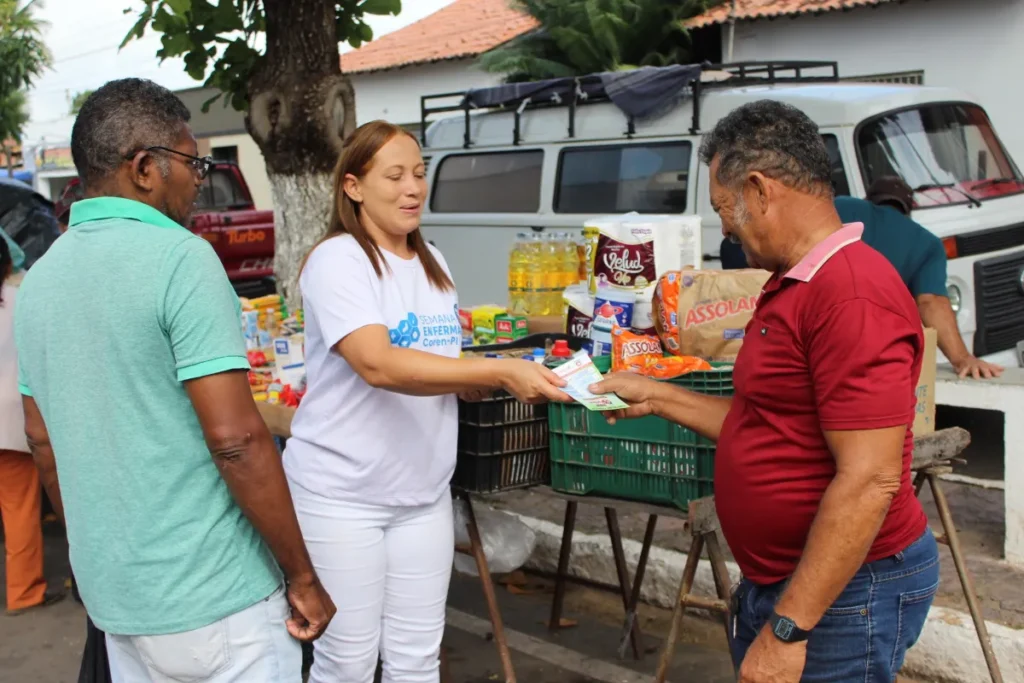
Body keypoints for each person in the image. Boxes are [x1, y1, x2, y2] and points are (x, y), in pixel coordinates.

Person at [594, 100, 938, 683]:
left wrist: (789, 630)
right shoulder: (792, 283)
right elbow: (767, 422)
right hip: (790, 584)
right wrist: (656, 395)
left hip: (847, 594)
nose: (725, 228)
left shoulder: (851, 294)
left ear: (758, 190)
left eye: (723, 208)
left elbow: (870, 480)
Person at [14, 78, 335, 682]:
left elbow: (42, 440)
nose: (198, 179)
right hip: (218, 599)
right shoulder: (181, 258)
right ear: (144, 168)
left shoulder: (40, 281)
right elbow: (236, 441)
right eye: (192, 162)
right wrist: (302, 575)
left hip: (117, 601)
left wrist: (94, 557)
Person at [284, 120, 569, 683]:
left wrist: (472, 380)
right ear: (353, 186)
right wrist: (497, 369)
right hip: (343, 497)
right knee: (348, 663)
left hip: (422, 495)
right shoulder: (339, 260)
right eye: (394, 176)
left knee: (416, 661)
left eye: (418, 173)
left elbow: (434, 364)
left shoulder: (432, 260)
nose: (413, 188)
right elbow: (377, 363)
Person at [720, 176, 1002, 379]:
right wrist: (962, 359)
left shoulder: (840, 207)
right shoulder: (926, 243)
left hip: (796, 332)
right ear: (908, 208)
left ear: (870, 200)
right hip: (861, 349)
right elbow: (931, 302)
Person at [0, 235, 65, 617]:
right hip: (11, 418)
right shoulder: (21, 299)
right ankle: (23, 591)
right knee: (20, 509)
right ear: (8, 264)